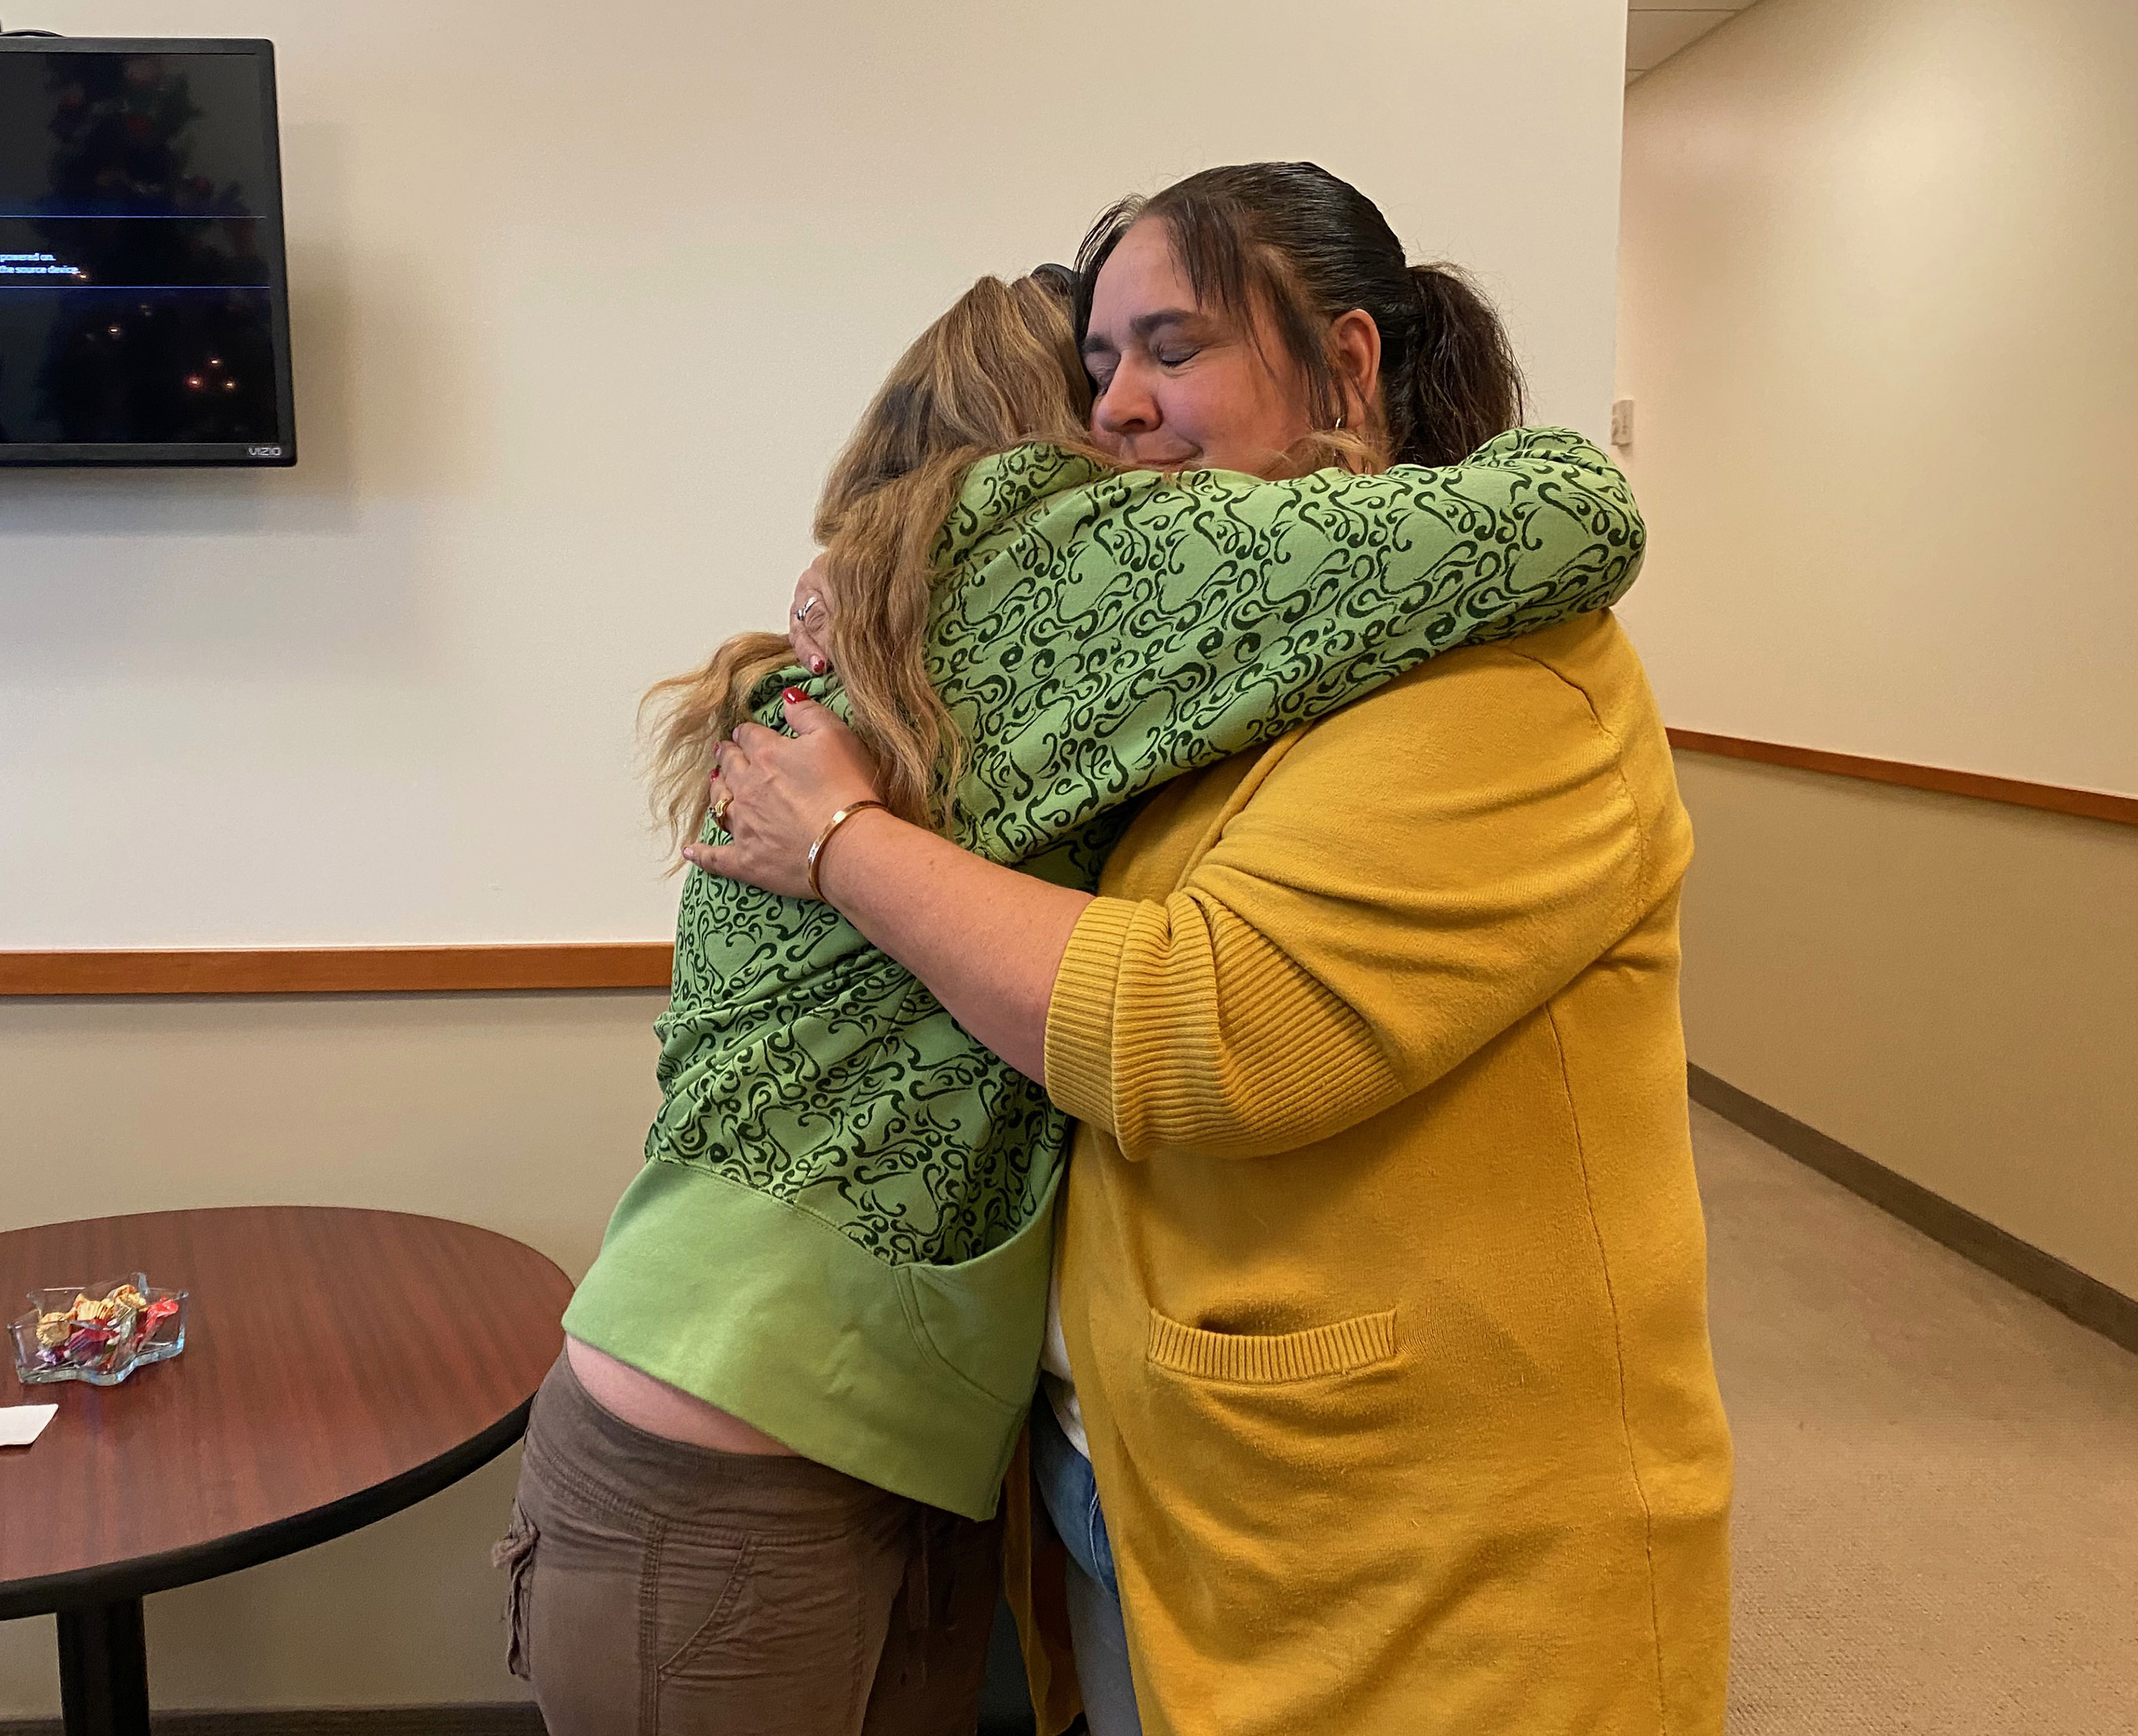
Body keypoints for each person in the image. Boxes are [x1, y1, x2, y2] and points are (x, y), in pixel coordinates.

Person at [507, 235, 1652, 1733]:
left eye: (1167, 360)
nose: (1133, 417)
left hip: (820, 1411)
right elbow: (1568, 509)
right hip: (746, 1432)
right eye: (1104, 375)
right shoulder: (1051, 585)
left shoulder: (883, 660)